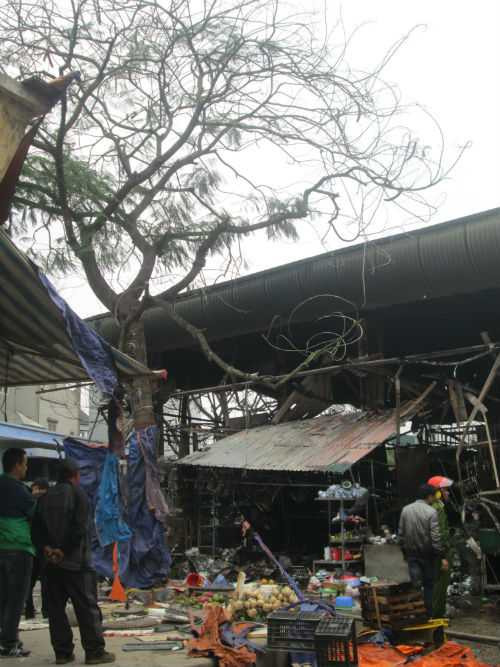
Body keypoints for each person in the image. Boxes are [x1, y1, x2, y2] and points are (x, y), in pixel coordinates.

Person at [32, 459, 115, 665]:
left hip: (50, 564)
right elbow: (79, 528)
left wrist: (47, 548)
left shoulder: (44, 498)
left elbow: (36, 529)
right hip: (76, 564)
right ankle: (94, 652)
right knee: (86, 608)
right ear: (75, 475)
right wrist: (63, 550)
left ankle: (62, 653)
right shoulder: (79, 495)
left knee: (55, 610)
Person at [0, 448, 36, 657]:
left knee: (2, 597)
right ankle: (9, 643)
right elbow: (34, 515)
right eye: (25, 463)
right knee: (16, 599)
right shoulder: (21, 491)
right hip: (19, 548)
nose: (26, 468)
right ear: (17, 465)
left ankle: (3, 639)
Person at [398, 484, 446, 617]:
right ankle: (428, 614)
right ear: (429, 496)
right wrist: (440, 555)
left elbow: (401, 533)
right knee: (429, 585)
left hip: (411, 554)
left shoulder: (406, 510)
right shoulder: (431, 512)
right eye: (433, 496)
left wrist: (403, 551)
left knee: (415, 585)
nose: (434, 499)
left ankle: (415, 613)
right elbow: (435, 537)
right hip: (428, 555)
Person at [428, 475, 454, 618]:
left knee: (438, 583)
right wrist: (443, 556)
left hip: (435, 551)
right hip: (440, 551)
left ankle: (436, 613)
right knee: (440, 584)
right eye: (444, 490)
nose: (447, 492)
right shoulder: (436, 508)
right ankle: (436, 615)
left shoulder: (434, 506)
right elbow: (439, 534)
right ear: (437, 492)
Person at [25, 478, 50, 620]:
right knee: (42, 580)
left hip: (34, 546)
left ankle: (31, 610)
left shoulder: (34, 503)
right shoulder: (42, 503)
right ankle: (42, 610)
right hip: (37, 546)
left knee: (33, 580)